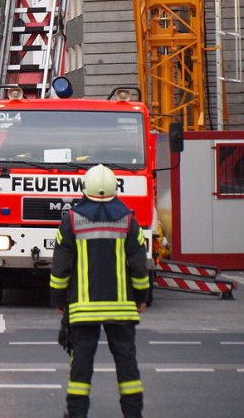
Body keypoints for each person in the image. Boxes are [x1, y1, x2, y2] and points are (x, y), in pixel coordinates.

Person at [50, 164, 150, 418]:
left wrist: (58, 299)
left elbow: (61, 268)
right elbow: (139, 265)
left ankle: (77, 413)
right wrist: (141, 297)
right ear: (116, 189)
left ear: (85, 188)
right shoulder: (129, 219)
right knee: (126, 364)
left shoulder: (71, 220)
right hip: (122, 308)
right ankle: (133, 414)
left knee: (81, 367)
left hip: (84, 309)